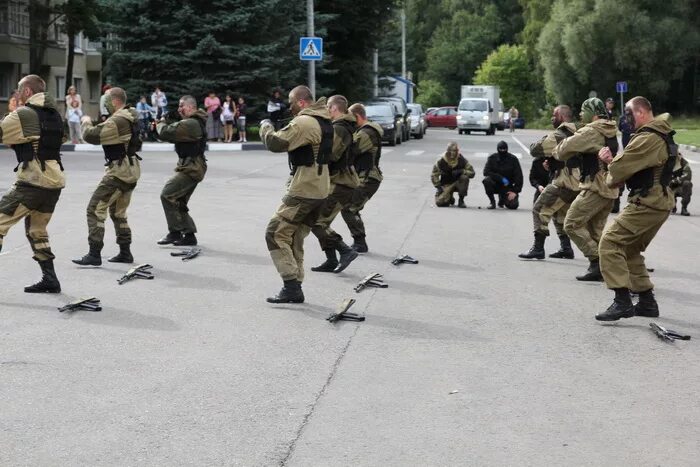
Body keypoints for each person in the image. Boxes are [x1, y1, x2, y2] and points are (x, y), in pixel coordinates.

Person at [595, 97, 676, 321]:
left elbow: (618, 172)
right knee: (629, 250)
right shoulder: (661, 134)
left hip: (647, 203)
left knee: (610, 243)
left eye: (629, 114)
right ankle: (647, 302)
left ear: (640, 113)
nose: (626, 120)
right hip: (658, 202)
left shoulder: (647, 138)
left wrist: (608, 161)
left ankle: (622, 301)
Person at [259, 85, 332, 303]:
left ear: (301, 102)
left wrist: (265, 127)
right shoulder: (324, 120)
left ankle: (291, 285)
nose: (289, 108)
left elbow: (276, 142)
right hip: (320, 188)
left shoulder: (305, 121)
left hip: (305, 188)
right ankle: (295, 285)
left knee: (274, 232)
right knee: (294, 236)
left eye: (291, 103)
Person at [0, 74, 65, 293]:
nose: (17, 95)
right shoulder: (54, 115)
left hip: (33, 182)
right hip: (54, 182)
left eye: (19, 91)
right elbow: (55, 140)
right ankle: (50, 279)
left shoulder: (25, 113)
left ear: (27, 91)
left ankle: (49, 279)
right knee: (38, 231)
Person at [73, 87, 141, 266]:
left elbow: (92, 135)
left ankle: (94, 254)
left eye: (107, 101)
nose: (105, 105)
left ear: (115, 101)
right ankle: (125, 252)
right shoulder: (129, 116)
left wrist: (86, 121)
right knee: (118, 213)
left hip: (119, 173)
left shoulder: (119, 120)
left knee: (94, 210)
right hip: (130, 170)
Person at [553, 98, 619, 281]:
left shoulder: (591, 131)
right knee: (594, 232)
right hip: (609, 189)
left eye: (583, 111)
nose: (581, 114)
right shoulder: (610, 129)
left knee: (571, 224)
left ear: (593, 113)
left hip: (595, 188)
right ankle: (611, 269)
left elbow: (561, 150)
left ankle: (597, 262)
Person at [519, 105, 579, 260]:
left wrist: (546, 138)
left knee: (539, 209)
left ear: (562, 116)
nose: (552, 117)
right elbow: (569, 159)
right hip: (576, 183)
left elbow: (535, 149)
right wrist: (553, 164)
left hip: (565, 183)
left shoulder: (560, 134)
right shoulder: (579, 132)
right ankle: (566, 248)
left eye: (554, 114)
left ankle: (538, 248)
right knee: (559, 215)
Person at [309, 95, 360, 273]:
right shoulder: (343, 126)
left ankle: (345, 251)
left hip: (341, 183)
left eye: (327, 108)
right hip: (338, 181)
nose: (326, 111)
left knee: (317, 222)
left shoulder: (340, 128)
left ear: (333, 108)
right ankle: (331, 260)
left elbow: (331, 154)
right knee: (318, 220)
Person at [155, 95, 208, 246]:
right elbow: (171, 136)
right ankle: (189, 235)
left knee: (167, 194)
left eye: (182, 106)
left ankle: (175, 233)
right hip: (189, 165)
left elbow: (165, 132)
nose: (179, 109)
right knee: (178, 201)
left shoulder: (192, 123)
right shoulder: (190, 123)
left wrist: (161, 123)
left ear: (191, 107)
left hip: (192, 168)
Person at [342, 103, 384, 253]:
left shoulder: (367, 133)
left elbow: (351, 150)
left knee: (349, 208)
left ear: (358, 117)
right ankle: (359, 241)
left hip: (368, 178)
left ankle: (360, 242)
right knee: (351, 207)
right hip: (363, 176)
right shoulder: (364, 130)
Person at [431, 141, 475, 208]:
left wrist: (462, 171)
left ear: (457, 151)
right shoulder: (441, 161)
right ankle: (450, 198)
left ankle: (461, 200)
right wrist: (438, 186)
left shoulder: (461, 160)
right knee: (440, 203)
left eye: (454, 151)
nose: (452, 153)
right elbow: (434, 174)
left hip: (458, 183)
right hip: (446, 184)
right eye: (450, 151)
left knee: (464, 178)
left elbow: (472, 173)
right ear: (447, 151)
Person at [483, 141, 523, 209]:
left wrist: (515, 191)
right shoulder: (492, 158)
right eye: (500, 149)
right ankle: (492, 202)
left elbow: (519, 176)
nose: (502, 151)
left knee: (513, 205)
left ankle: (502, 200)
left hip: (507, 186)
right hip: (495, 184)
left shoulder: (513, 159)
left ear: (507, 149)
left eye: (504, 149)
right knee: (487, 181)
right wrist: (500, 178)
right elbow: (486, 172)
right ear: (497, 149)